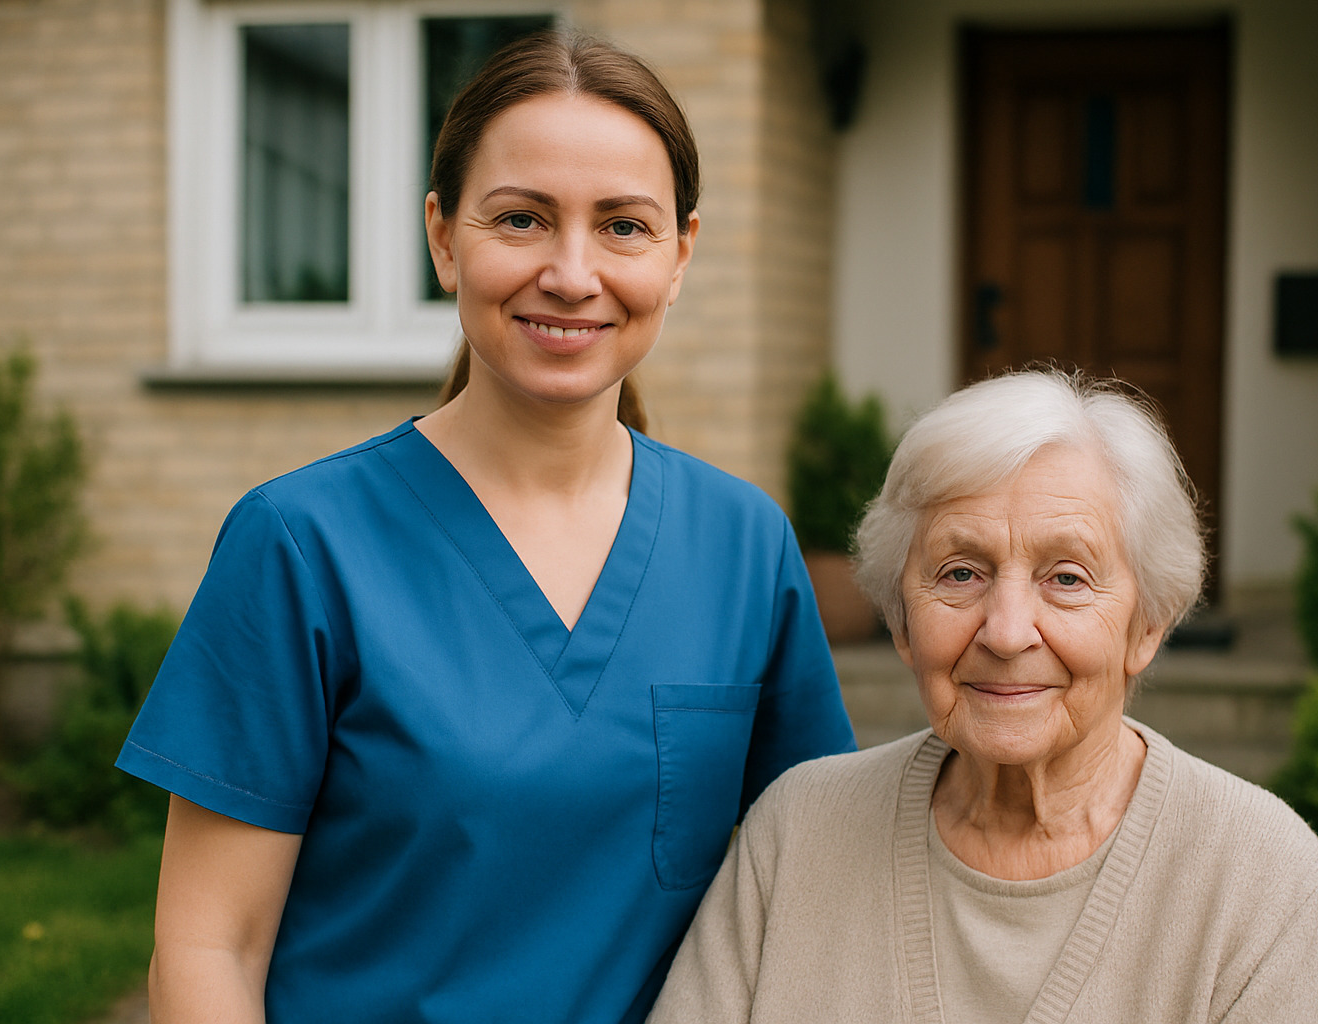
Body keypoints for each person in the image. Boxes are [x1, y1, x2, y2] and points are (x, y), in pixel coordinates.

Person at [117, 30, 854, 1024]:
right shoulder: (300, 543)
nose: (572, 273)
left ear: (679, 254)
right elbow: (210, 948)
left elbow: (818, 889)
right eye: (521, 219)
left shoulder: (744, 548)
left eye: (623, 226)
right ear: (442, 237)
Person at [647, 368, 1318, 1024]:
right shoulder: (794, 834)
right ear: (901, 621)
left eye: (1067, 578)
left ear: (1147, 627)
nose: (1007, 633)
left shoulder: (1258, 874)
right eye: (960, 574)